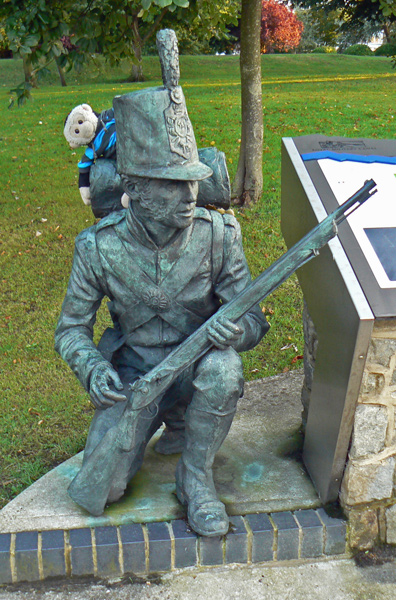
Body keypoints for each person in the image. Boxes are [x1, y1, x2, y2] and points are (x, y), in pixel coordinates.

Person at [55, 70, 268, 538]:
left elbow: (251, 317)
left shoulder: (220, 236)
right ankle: (161, 422)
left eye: (192, 181)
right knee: (103, 489)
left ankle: (195, 477)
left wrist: (239, 332)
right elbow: (70, 329)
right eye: (173, 185)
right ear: (138, 189)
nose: (190, 194)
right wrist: (93, 369)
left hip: (197, 371)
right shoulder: (97, 247)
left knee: (225, 370)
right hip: (136, 374)